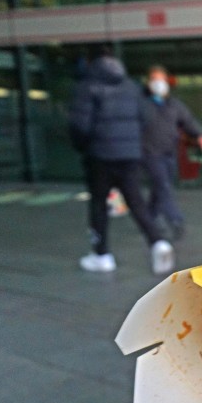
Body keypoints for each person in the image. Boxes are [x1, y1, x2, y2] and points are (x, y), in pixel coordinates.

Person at [69, 45, 175, 274]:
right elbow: (145, 117)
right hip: (130, 154)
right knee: (135, 200)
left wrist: (82, 147)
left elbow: (79, 125)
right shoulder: (130, 87)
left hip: (100, 155)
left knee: (98, 203)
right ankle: (158, 241)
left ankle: (102, 255)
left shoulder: (87, 87)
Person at [141, 65, 202, 240]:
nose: (159, 84)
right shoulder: (141, 104)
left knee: (160, 188)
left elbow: (188, 121)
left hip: (169, 153)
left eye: (161, 80)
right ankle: (176, 220)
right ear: (149, 82)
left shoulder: (174, 104)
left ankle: (148, 218)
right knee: (163, 186)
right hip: (149, 153)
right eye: (154, 79)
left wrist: (200, 135)